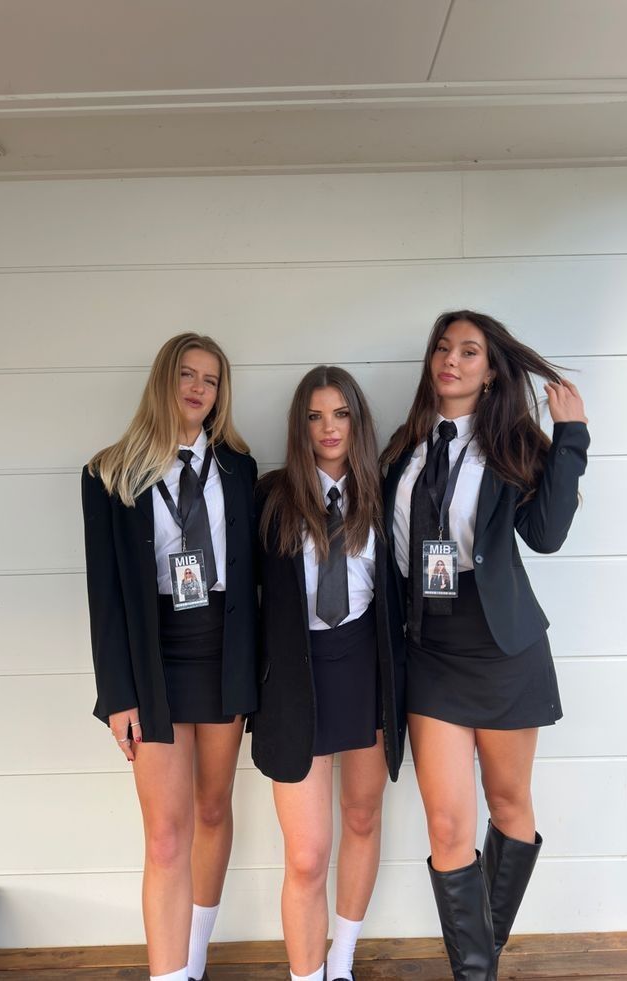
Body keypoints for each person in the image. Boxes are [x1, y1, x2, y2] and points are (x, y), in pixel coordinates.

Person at [382, 310, 589, 980]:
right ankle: (478, 972)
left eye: (469, 351)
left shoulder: (511, 443)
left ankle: (479, 964)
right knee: (448, 825)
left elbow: (548, 533)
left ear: (491, 368)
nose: (451, 360)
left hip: (503, 645)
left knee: (508, 805)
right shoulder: (402, 450)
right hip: (430, 646)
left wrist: (572, 438)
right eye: (443, 347)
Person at [81, 333, 258, 981]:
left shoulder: (238, 468)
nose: (198, 387)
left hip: (224, 655)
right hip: (153, 662)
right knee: (165, 833)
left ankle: (195, 953)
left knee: (213, 809)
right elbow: (105, 596)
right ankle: (168, 975)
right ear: (164, 379)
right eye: (187, 373)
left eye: (211, 379)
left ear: (219, 393)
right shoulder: (109, 472)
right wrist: (116, 694)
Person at [251, 366, 405, 981]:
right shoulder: (270, 496)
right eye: (315, 416)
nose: (328, 428)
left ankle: (340, 962)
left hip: (365, 672)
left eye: (339, 414)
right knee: (308, 854)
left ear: (357, 421)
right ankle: (305, 974)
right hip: (295, 681)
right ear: (300, 426)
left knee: (364, 819)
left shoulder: (384, 490)